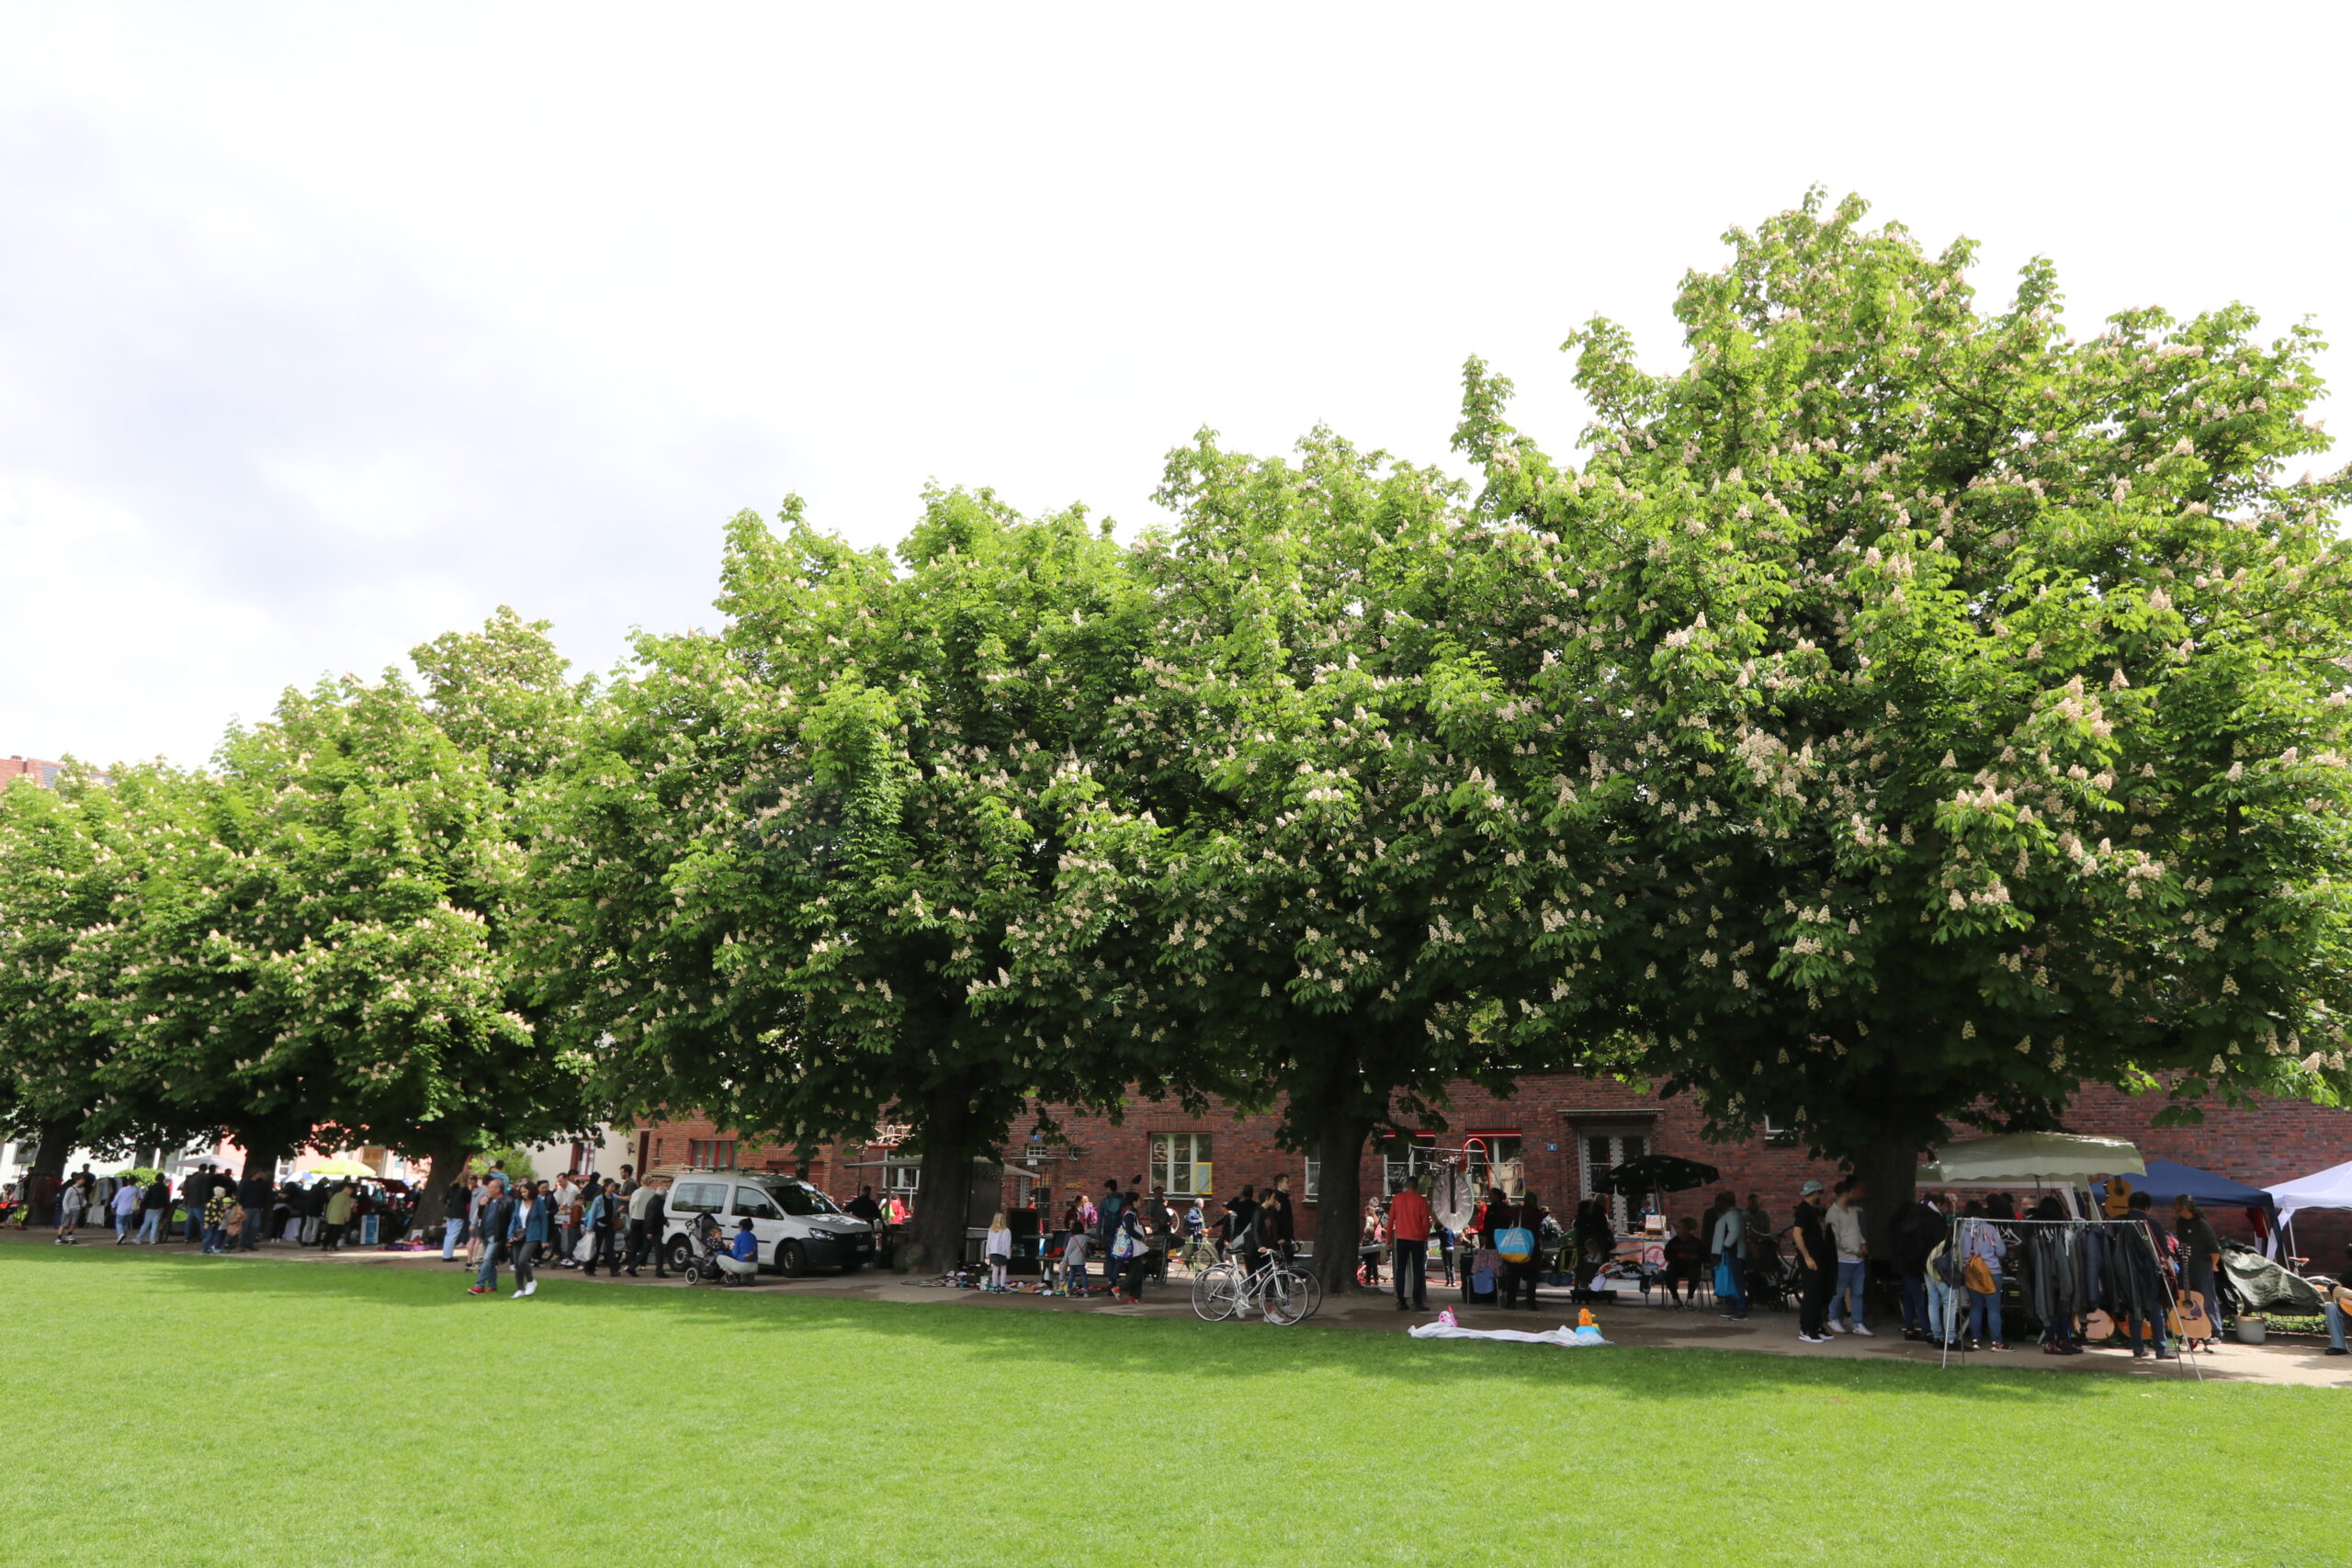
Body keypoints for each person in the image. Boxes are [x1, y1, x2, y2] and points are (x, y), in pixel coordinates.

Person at [1892, 1189, 1944, 1341]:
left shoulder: (1908, 1215)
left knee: (1910, 1296)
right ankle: (1928, 1330)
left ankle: (1910, 1328)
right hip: (1919, 1262)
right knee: (1922, 1298)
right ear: (1938, 1203)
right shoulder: (1932, 1218)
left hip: (1904, 1261)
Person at [2173, 1196, 2221, 1353]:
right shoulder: (2181, 1222)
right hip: (2185, 1265)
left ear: (2185, 1207)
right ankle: (2187, 1327)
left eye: (2177, 1205)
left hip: (2202, 1266)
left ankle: (2215, 1331)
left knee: (2206, 1297)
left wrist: (2211, 1267)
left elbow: (2215, 1250)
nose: (2174, 1208)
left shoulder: (2202, 1225)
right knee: (2184, 1297)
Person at [1792, 1180, 1835, 1343]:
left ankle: (1816, 1325)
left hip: (1817, 1257)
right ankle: (1806, 1328)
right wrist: (1807, 1257)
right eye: (1819, 1193)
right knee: (1811, 1293)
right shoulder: (1803, 1210)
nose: (1820, 1196)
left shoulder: (1809, 1210)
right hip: (1811, 1259)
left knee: (1819, 1292)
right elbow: (1797, 1235)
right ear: (1815, 1193)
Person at [1825, 1183, 1871, 1335]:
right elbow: (1836, 1239)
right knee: (1839, 1291)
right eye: (1853, 1192)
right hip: (1843, 1259)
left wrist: (1862, 1243)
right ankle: (1832, 1318)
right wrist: (1856, 1250)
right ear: (1847, 1193)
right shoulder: (1833, 1213)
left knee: (1858, 1291)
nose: (1854, 1195)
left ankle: (1857, 1322)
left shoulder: (1852, 1211)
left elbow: (1856, 1231)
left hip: (1858, 1259)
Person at [1387, 1179, 1433, 1313]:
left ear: (1406, 1185)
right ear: (1417, 1186)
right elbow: (1425, 1222)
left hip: (1402, 1237)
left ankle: (1401, 1301)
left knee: (1400, 1269)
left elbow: (1391, 1219)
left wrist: (1388, 1237)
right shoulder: (1421, 1200)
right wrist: (1425, 1236)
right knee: (1418, 1270)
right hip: (1417, 1238)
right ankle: (1417, 1301)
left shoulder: (1397, 1199)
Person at [469, 1176, 514, 1295]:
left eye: (490, 1187)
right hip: (486, 1234)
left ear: (498, 1189)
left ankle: (479, 1285)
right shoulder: (488, 1201)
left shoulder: (508, 1201)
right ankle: (493, 1285)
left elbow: (511, 1220)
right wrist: (482, 1206)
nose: (488, 1189)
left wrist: (509, 1237)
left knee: (487, 1259)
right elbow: (480, 1216)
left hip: (497, 1236)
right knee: (491, 1261)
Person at [1709, 1190, 1749, 1320]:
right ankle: (1733, 1307)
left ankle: (1740, 1309)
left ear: (1723, 1203)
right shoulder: (1732, 1214)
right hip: (1731, 1252)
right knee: (1730, 1281)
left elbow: (1734, 1231)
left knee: (1736, 1282)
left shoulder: (1731, 1215)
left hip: (1732, 1253)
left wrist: (1725, 1246)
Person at [510, 1180, 548, 1298]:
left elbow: (544, 1221)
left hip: (533, 1235)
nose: (523, 1194)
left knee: (522, 1260)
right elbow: (513, 1220)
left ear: (531, 1191)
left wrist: (544, 1240)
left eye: (525, 1192)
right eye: (521, 1192)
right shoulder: (518, 1203)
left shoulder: (538, 1203)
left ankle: (531, 1281)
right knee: (517, 1264)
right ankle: (520, 1289)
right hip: (518, 1235)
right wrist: (509, 1235)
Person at [1109, 1201, 1150, 1303]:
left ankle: (1134, 1296)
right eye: (1139, 1200)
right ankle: (1120, 1288)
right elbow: (1130, 1230)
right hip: (1133, 1247)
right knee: (1137, 1272)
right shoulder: (1130, 1214)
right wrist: (1142, 1238)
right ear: (1135, 1202)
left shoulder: (1131, 1214)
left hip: (1133, 1248)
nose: (1141, 1202)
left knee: (1138, 1271)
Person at [1662, 1215, 1707, 1308]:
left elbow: (1705, 1257)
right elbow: (1667, 1255)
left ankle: (1690, 1298)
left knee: (1694, 1274)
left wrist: (1693, 1257)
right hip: (1676, 1267)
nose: (1678, 1230)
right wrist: (1677, 1256)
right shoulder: (1673, 1242)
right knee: (1668, 1275)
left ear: (1687, 1229)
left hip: (1692, 1266)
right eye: (1677, 1228)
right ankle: (1676, 1298)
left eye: (1680, 1228)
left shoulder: (1697, 1242)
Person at [237, 1166, 272, 1251]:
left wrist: (262, 1205)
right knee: (244, 1226)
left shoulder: (262, 1183)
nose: (261, 1174)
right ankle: (241, 1244)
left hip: (257, 1207)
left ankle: (249, 1243)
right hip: (246, 1207)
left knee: (255, 1226)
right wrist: (239, 1205)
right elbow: (240, 1193)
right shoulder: (246, 1182)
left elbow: (264, 1195)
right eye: (259, 1173)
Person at [442, 1174, 475, 1262]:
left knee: (449, 1234)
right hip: (459, 1213)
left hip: (450, 1213)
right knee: (453, 1234)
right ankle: (448, 1256)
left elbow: (445, 1199)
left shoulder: (451, 1187)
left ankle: (446, 1254)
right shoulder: (464, 1189)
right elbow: (468, 1200)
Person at [718, 1218, 761, 1283]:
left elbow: (735, 1254)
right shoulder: (753, 1237)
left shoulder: (738, 1237)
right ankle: (749, 1277)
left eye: (739, 1226)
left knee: (719, 1258)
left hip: (743, 1266)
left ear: (741, 1227)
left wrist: (730, 1249)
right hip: (754, 1266)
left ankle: (732, 1277)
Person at [137, 1172, 170, 1245]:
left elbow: (146, 1197)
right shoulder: (165, 1188)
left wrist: (144, 1203)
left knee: (146, 1223)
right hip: (160, 1207)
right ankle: (152, 1239)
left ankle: (139, 1239)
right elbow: (167, 1199)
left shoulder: (152, 1187)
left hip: (151, 1207)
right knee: (155, 1223)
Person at [53, 1174, 87, 1245]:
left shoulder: (82, 1189)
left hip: (77, 1208)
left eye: (83, 1180)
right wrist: (66, 1209)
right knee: (64, 1223)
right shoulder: (70, 1189)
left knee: (73, 1223)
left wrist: (84, 1203)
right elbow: (65, 1200)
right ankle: (59, 1238)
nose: (83, 1181)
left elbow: (83, 1197)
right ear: (77, 1180)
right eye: (82, 1179)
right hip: (69, 1208)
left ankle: (69, 1234)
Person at [202, 1182, 235, 1254]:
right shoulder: (212, 1202)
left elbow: (221, 1211)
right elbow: (207, 1213)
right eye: (223, 1193)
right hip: (211, 1222)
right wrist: (206, 1222)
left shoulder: (220, 1202)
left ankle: (210, 1247)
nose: (224, 1194)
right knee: (209, 1235)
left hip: (217, 1221)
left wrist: (224, 1209)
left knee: (213, 1235)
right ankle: (205, 1248)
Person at [322, 1182, 356, 1252]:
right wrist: (347, 1216)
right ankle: (334, 1245)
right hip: (339, 1218)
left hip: (331, 1216)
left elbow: (329, 1206)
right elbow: (346, 1208)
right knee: (336, 1232)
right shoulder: (346, 1197)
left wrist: (327, 1215)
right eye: (351, 1191)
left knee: (329, 1231)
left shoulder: (335, 1195)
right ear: (348, 1190)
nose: (351, 1193)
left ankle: (325, 1245)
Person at [984, 1211, 1012, 1291]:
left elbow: (988, 1242)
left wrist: (987, 1253)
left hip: (993, 1251)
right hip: (1003, 1252)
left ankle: (995, 1286)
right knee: (1003, 1269)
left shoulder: (991, 1230)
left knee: (995, 1269)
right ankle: (1002, 1286)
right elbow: (1008, 1244)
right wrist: (1008, 1254)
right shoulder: (1007, 1231)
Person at [110, 1175, 141, 1244]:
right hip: (131, 1209)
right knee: (125, 1224)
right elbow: (141, 1197)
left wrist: (113, 1206)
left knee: (119, 1223)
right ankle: (123, 1239)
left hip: (121, 1208)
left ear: (128, 1182)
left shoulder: (123, 1189)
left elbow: (116, 1199)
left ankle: (121, 1234)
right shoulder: (137, 1189)